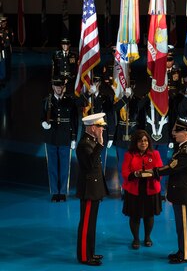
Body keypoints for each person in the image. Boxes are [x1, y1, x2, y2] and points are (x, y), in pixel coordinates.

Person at [148, 119, 187, 264]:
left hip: (184, 192)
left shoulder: (186, 151)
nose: (173, 134)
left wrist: (152, 172)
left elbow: (171, 167)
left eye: (176, 132)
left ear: (184, 133)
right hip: (182, 191)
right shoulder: (186, 146)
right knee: (182, 226)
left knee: (184, 226)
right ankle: (182, 251)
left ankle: (185, 255)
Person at [76, 113, 109, 266]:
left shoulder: (92, 142)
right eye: (99, 127)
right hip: (89, 189)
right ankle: (84, 256)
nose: (102, 129)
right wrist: (100, 145)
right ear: (91, 127)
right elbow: (90, 164)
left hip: (94, 189)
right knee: (86, 224)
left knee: (92, 224)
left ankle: (90, 252)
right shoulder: (84, 144)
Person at [121, 130, 163, 249]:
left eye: (145, 140)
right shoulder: (129, 155)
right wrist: (134, 174)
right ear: (135, 143)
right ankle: (136, 239)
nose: (143, 143)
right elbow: (124, 172)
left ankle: (147, 237)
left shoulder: (155, 154)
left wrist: (153, 173)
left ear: (148, 142)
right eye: (140, 141)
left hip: (151, 189)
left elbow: (160, 170)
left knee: (149, 215)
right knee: (134, 216)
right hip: (134, 189)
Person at [41, 76, 78, 202]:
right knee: (52, 166)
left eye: (61, 86)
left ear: (64, 87)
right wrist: (43, 123)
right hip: (51, 137)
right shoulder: (47, 100)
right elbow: (41, 115)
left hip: (65, 137)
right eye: (56, 86)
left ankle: (62, 192)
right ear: (53, 87)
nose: (59, 88)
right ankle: (54, 192)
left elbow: (74, 120)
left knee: (64, 166)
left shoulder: (70, 101)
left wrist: (74, 138)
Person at [113, 79, 145, 197]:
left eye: (131, 86)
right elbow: (114, 109)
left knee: (135, 165)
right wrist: (125, 98)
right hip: (121, 138)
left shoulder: (138, 100)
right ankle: (124, 189)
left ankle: (133, 187)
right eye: (127, 86)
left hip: (134, 139)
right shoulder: (120, 100)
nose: (129, 88)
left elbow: (141, 119)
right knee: (122, 165)